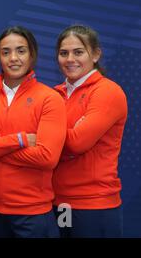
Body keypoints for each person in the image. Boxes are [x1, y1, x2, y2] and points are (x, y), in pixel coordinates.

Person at [0, 26, 66, 238]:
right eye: (6, 52)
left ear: (32, 55)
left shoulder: (50, 99)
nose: (13, 58)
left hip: (32, 215)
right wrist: (18, 141)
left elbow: (47, 158)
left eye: (21, 51)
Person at [52, 25, 127, 238]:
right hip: (59, 202)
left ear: (95, 54)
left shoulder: (107, 92)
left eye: (78, 52)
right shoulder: (55, 94)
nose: (70, 59)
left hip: (94, 205)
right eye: (63, 53)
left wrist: (44, 135)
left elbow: (77, 143)